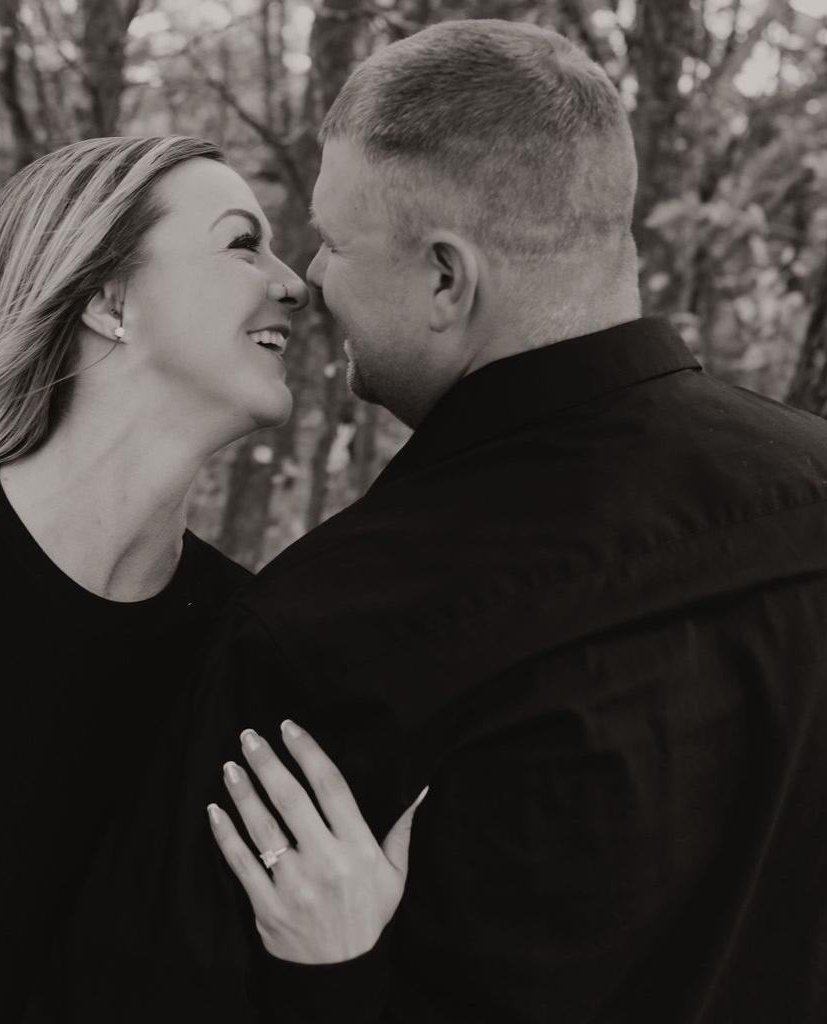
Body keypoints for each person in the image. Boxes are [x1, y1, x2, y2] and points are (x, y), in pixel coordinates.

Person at [178, 19, 827, 1023]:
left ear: (447, 277)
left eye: (335, 242)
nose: (312, 277)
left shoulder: (335, 628)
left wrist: (328, 981)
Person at [0, 135, 411, 1023]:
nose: (294, 283)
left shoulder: (247, 641)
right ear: (109, 297)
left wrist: (339, 962)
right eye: (243, 243)